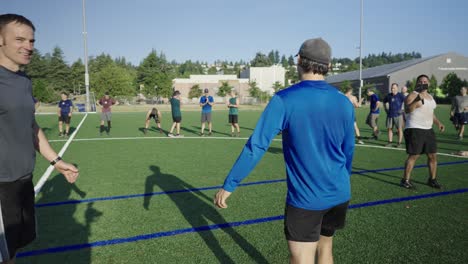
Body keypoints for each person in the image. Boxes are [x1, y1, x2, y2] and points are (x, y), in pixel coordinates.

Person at [214, 38, 355, 264]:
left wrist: (230, 184)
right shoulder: (344, 102)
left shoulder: (284, 99)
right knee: (326, 249)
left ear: (299, 61)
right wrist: (341, 180)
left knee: (302, 258)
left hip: (307, 199)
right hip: (339, 193)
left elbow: (257, 146)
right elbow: (348, 150)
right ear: (327, 66)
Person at [0, 14, 79, 264]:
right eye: (20, 39)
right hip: (1, 185)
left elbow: (31, 126)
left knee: (13, 250)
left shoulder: (24, 81)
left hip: (23, 182)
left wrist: (56, 161)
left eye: (32, 41)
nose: (29, 46)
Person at [401, 74, 445, 189]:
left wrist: (438, 123)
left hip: (428, 129)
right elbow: (408, 109)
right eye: (420, 81)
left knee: (432, 156)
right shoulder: (413, 95)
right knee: (414, 155)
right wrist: (417, 99)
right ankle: (405, 180)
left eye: (425, 81)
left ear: (428, 83)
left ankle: (432, 179)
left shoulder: (430, 97)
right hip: (415, 128)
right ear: (417, 83)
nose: (423, 83)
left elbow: (431, 113)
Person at [383, 83, 405, 147]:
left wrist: (403, 110)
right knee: (389, 129)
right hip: (390, 115)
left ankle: (399, 143)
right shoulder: (388, 96)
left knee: (399, 129)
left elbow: (406, 102)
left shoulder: (400, 95)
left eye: (394, 88)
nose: (392, 89)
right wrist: (386, 110)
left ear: (397, 88)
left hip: (398, 115)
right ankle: (390, 142)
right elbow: (384, 102)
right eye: (392, 88)